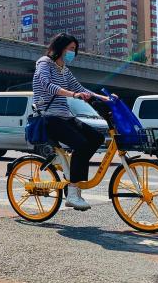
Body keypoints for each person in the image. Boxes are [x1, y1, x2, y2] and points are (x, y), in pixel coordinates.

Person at [32, 33, 116, 211]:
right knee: (82, 144)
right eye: (70, 49)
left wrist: (106, 98)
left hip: (66, 117)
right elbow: (46, 84)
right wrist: (73, 95)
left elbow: (80, 88)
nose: (73, 52)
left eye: (74, 50)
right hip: (49, 117)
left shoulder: (65, 70)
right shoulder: (44, 63)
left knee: (96, 138)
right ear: (60, 48)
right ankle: (72, 193)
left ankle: (74, 183)